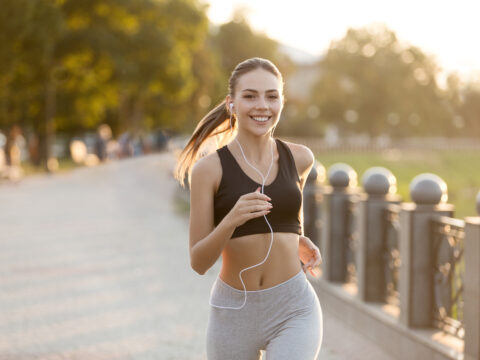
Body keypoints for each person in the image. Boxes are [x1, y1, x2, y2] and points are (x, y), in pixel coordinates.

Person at [175, 57, 323, 360]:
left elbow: (293, 213)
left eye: (272, 96)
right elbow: (199, 262)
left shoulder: (301, 158)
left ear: (282, 101)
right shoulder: (208, 170)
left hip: (294, 306)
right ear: (232, 103)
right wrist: (231, 220)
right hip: (233, 311)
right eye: (250, 95)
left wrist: (299, 238)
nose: (262, 106)